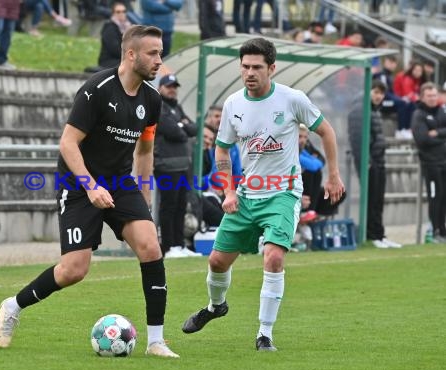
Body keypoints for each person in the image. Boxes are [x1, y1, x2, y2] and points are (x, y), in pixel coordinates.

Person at [0, 25, 180, 358]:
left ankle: (155, 341)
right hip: (79, 184)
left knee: (151, 247)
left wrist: (145, 195)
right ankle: (13, 305)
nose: (159, 61)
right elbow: (67, 143)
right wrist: (90, 186)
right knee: (74, 270)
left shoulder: (151, 99)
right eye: (153, 53)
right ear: (131, 54)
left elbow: (145, 150)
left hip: (120, 183)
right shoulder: (97, 89)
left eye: (160, 53)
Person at [181, 37, 345, 351]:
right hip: (246, 196)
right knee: (216, 261)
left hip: (283, 194)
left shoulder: (292, 99)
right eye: (245, 67)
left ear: (271, 67)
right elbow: (222, 149)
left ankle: (264, 334)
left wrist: (333, 174)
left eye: (257, 67)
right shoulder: (232, 104)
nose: (250, 73)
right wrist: (229, 190)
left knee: (273, 257)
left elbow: (326, 131)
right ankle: (216, 307)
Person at [347, 80, 401, 248]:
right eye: (376, 92)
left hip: (378, 161)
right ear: (368, 91)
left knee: (377, 200)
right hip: (369, 163)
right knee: (370, 200)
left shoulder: (374, 109)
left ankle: (379, 234)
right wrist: (367, 161)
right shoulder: (360, 109)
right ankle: (371, 235)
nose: (379, 96)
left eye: (381, 93)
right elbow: (357, 139)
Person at [154, 73, 198, 258]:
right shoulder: (157, 106)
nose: (172, 90)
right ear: (160, 88)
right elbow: (172, 131)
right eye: (169, 86)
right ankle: (168, 246)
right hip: (165, 165)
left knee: (181, 205)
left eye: (175, 86)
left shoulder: (176, 107)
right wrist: (181, 126)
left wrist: (181, 126)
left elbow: (194, 128)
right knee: (168, 205)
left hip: (182, 165)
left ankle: (180, 245)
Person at [411, 82, 446, 243]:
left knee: (444, 196)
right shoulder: (419, 114)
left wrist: (437, 133)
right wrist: (442, 138)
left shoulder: (441, 111)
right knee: (435, 196)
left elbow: (434, 135)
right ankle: (435, 231)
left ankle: (443, 231)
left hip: (443, 161)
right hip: (430, 163)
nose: (432, 99)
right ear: (422, 97)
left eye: (434, 95)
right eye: (429, 96)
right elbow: (422, 139)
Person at [97, 1, 130, 69]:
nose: (121, 14)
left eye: (124, 11)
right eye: (118, 12)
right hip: (109, 61)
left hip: (122, 58)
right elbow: (115, 50)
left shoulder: (128, 27)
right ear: (113, 13)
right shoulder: (109, 28)